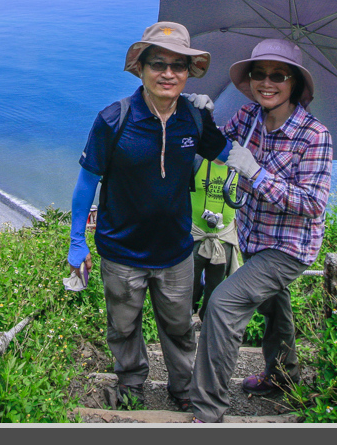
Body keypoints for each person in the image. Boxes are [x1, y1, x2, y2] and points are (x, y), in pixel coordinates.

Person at [68, 22, 227, 412]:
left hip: (176, 251)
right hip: (121, 251)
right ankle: (131, 383)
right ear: (141, 68)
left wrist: (218, 116)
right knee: (123, 327)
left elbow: (224, 154)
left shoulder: (193, 117)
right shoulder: (114, 119)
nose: (168, 73)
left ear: (189, 73)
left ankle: (183, 388)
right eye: (159, 64)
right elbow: (87, 181)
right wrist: (76, 241)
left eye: (179, 66)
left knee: (179, 328)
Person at [189, 38, 332, 423]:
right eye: (258, 73)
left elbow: (312, 203)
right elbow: (218, 146)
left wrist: (256, 172)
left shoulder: (314, 135)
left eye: (278, 76)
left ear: (295, 84)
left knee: (222, 304)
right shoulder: (250, 116)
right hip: (254, 234)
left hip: (288, 247)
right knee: (274, 307)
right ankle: (282, 377)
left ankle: (207, 408)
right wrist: (202, 117)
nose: (266, 82)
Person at [189, 157, 239, 322]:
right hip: (196, 234)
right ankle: (186, 316)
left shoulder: (239, 167)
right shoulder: (196, 161)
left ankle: (208, 320)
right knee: (189, 284)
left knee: (217, 288)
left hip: (224, 237)